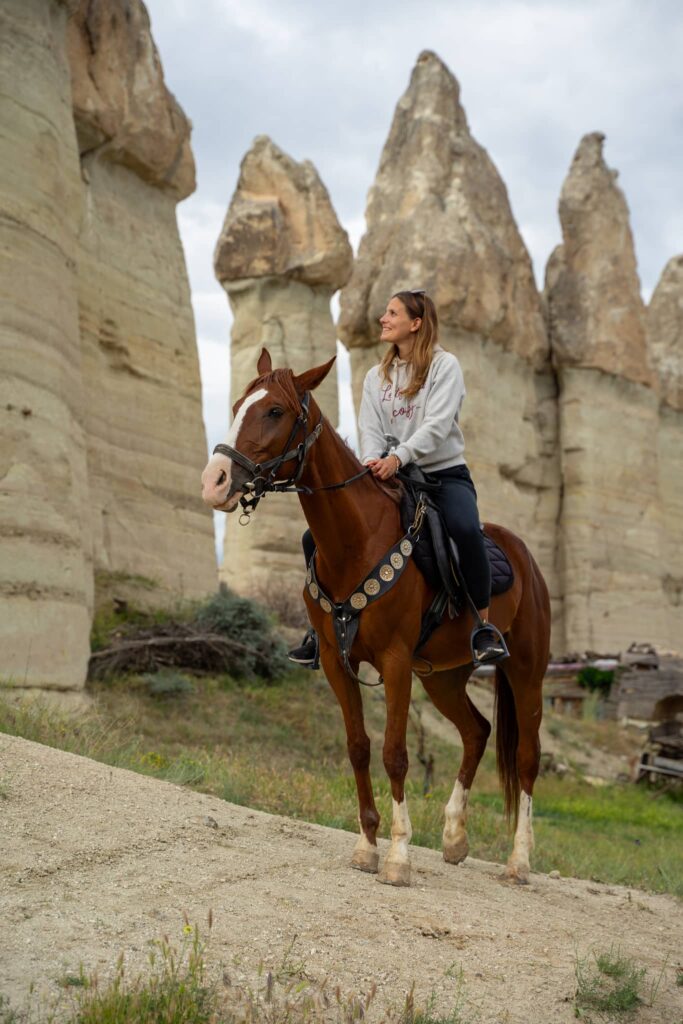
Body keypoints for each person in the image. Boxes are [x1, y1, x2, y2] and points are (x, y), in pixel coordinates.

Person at [288, 289, 507, 667]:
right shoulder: (377, 376)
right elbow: (369, 427)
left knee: (465, 529)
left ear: (415, 323)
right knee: (315, 537)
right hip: (389, 474)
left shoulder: (444, 366)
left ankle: (482, 627)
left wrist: (398, 456)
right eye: (385, 313)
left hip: (443, 474)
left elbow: (438, 426)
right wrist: (374, 460)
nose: (383, 319)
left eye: (392, 313)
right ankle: (318, 629)